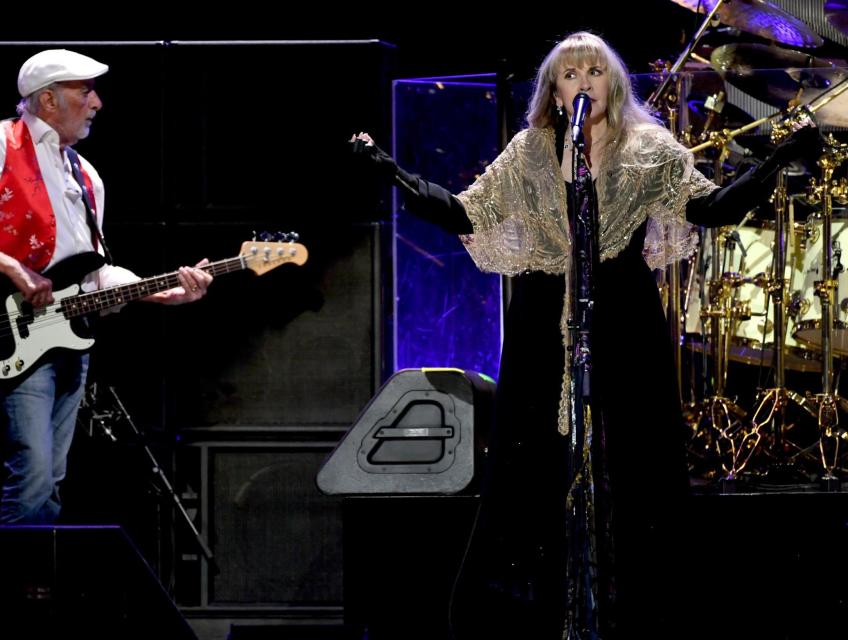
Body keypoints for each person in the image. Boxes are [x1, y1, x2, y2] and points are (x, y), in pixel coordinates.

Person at [351, 31, 822, 638]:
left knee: (635, 457)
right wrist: (393, 172)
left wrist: (779, 159)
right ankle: (539, 611)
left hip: (625, 313)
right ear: (554, 90)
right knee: (533, 458)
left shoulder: (649, 148)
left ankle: (640, 609)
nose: (582, 84)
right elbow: (467, 212)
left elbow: (712, 208)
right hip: (541, 320)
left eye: (592, 72)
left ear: (613, 83)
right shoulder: (530, 152)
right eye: (568, 75)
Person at [0, 49, 214, 525]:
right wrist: (17, 271)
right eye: (86, 91)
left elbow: (96, 272)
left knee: (53, 475)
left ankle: (41, 586)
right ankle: (19, 588)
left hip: (67, 336)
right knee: (35, 471)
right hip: (11, 328)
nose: (97, 103)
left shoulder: (86, 175)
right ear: (48, 99)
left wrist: (163, 291)